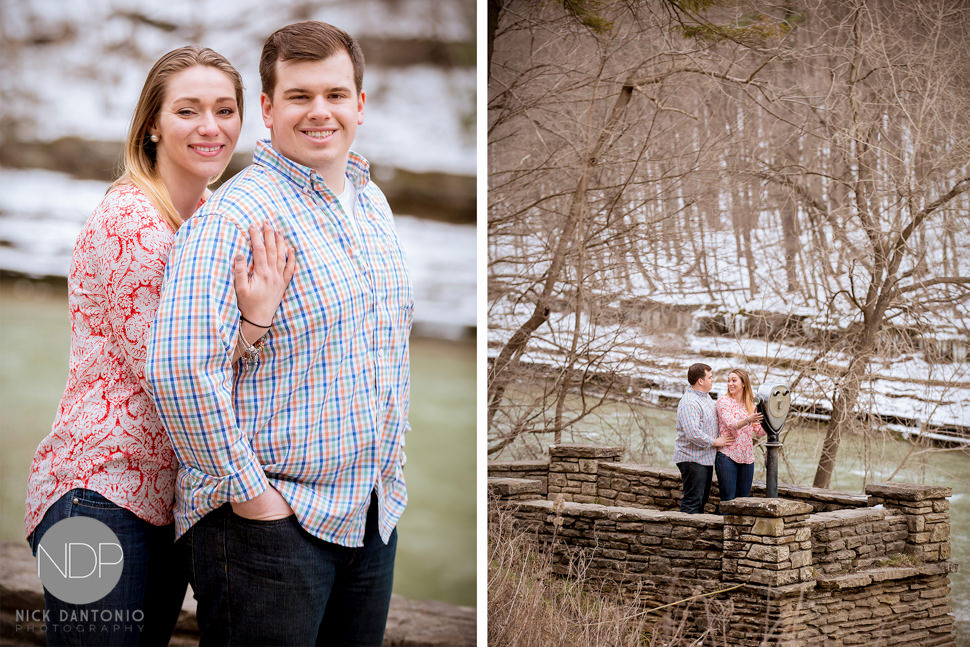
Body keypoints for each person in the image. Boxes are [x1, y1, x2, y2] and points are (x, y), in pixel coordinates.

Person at [145, 21, 413, 646]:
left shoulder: (373, 206)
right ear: (267, 108)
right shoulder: (234, 216)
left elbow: (384, 348)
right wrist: (252, 497)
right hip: (269, 530)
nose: (320, 112)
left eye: (335, 94)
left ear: (360, 105)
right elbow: (181, 368)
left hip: (371, 516)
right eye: (299, 96)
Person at [24, 47, 293, 646]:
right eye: (188, 110)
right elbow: (170, 373)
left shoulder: (201, 217)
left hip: (164, 505)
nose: (211, 127)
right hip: (97, 497)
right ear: (152, 123)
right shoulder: (134, 222)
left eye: (226, 110)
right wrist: (254, 321)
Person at [672, 363, 735, 514]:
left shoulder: (706, 398)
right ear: (701, 381)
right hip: (692, 459)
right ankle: (685, 534)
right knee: (693, 501)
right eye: (710, 377)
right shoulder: (689, 402)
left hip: (704, 459)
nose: (713, 380)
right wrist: (716, 442)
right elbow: (693, 433)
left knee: (702, 499)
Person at [714, 368, 764, 503]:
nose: (730, 383)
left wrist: (773, 423)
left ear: (743, 383)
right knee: (728, 501)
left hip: (747, 459)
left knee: (743, 503)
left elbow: (759, 432)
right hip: (727, 456)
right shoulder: (723, 402)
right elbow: (731, 424)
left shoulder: (751, 405)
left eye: (734, 380)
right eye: (729, 381)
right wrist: (748, 419)